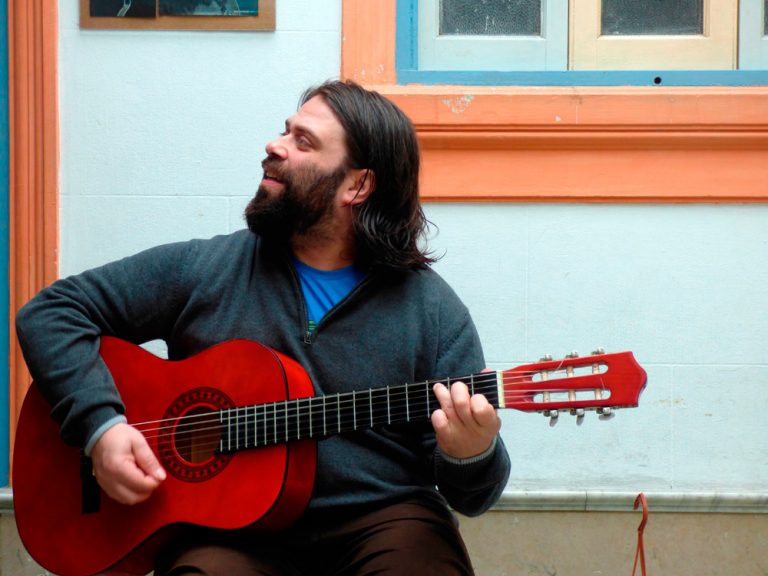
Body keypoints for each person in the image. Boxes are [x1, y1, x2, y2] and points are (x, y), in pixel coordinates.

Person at [16, 80, 510, 575]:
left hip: (382, 520)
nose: (275, 145)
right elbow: (52, 312)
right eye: (285, 131)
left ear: (357, 186)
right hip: (227, 529)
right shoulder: (206, 267)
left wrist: (470, 453)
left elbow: (474, 497)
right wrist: (102, 428)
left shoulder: (432, 309)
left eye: (303, 141)